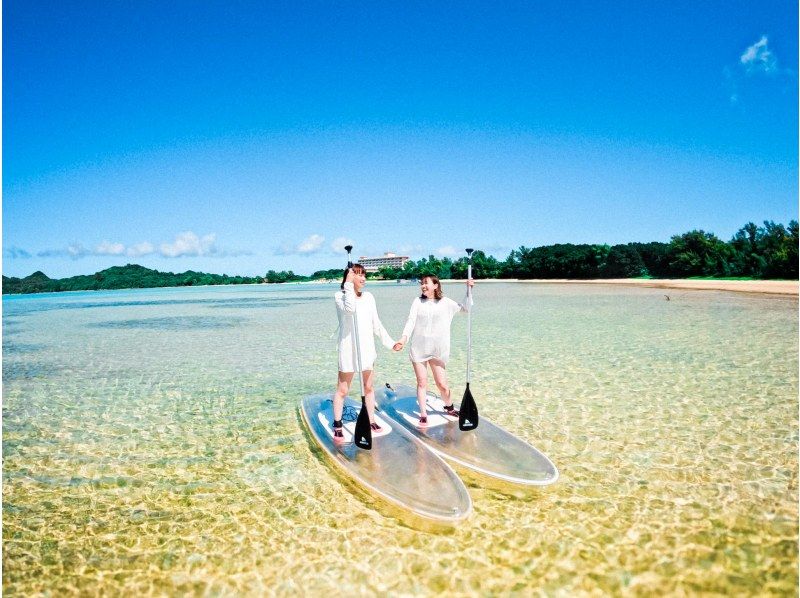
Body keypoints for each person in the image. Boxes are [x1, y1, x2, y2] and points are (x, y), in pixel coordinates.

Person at [393, 274, 474, 425]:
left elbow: (466, 309)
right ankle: (423, 413)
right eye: (422, 283)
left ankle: (449, 407)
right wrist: (403, 339)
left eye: (426, 283)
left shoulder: (445, 302)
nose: (423, 286)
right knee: (422, 382)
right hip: (419, 348)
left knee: (442, 384)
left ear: (436, 285)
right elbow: (410, 321)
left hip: (438, 350)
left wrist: (468, 290)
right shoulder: (417, 302)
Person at [333, 264, 396, 439]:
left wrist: (390, 344)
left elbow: (376, 323)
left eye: (364, 275)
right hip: (348, 349)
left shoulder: (369, 297)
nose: (363, 279)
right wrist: (347, 285)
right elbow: (350, 309)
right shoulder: (340, 296)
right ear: (349, 277)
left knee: (368, 387)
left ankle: (371, 419)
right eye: (358, 275)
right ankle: (337, 422)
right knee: (343, 390)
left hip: (367, 348)